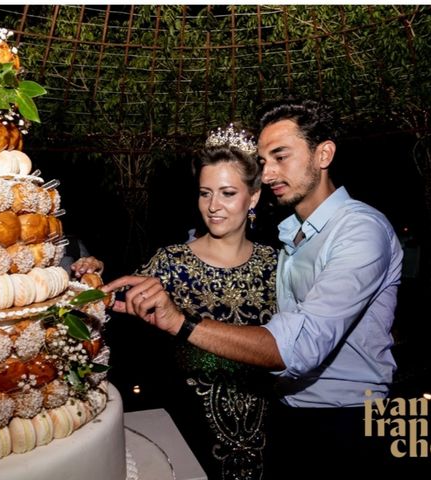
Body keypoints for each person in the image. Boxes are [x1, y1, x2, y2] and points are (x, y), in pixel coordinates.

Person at [103, 99, 403, 479]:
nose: (271, 172)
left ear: (323, 153)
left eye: (281, 156)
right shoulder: (292, 241)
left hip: (348, 421)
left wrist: (183, 324)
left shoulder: (358, 230)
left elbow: (301, 346)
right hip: (284, 419)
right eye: (264, 163)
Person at [119, 127, 278, 479]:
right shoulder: (171, 263)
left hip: (273, 434)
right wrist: (91, 275)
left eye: (227, 193)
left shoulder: (277, 264)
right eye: (205, 193)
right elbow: (118, 307)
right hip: (187, 434)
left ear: (253, 197)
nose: (213, 206)